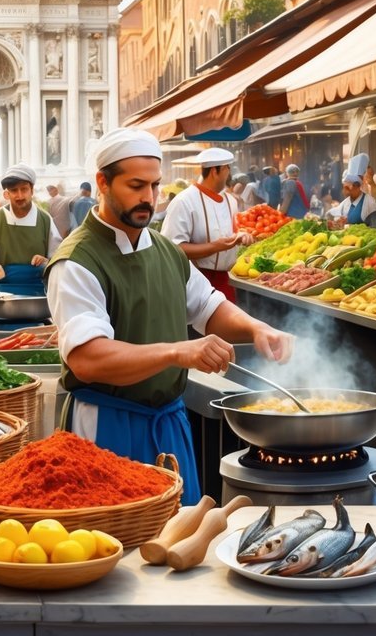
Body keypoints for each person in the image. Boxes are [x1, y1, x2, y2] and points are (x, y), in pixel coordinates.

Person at [45, 128, 293, 504]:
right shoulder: (77, 261)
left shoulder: (165, 250)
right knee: (115, 543)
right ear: (102, 182)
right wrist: (179, 352)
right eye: (135, 186)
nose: (148, 197)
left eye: (155, 185)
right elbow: (87, 359)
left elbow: (209, 307)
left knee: (177, 541)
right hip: (107, 428)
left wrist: (258, 329)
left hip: (168, 425)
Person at [161, 148, 254, 302]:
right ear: (214, 171)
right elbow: (172, 249)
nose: (229, 174)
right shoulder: (184, 201)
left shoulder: (230, 200)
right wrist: (215, 246)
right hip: (193, 281)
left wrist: (243, 236)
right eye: (227, 169)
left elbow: (235, 231)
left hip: (226, 280)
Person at [0, 163, 62, 302]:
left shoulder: (45, 220)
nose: (19, 195)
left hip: (37, 294)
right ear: (7, 193)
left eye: (24, 189)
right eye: (14, 190)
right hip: (2, 294)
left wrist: (46, 262)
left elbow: (58, 260)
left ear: (32, 190)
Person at [328, 154, 376, 229]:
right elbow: (333, 214)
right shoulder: (346, 202)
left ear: (356, 186)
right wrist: (337, 221)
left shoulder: (370, 202)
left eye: (348, 188)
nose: (344, 191)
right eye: (345, 187)